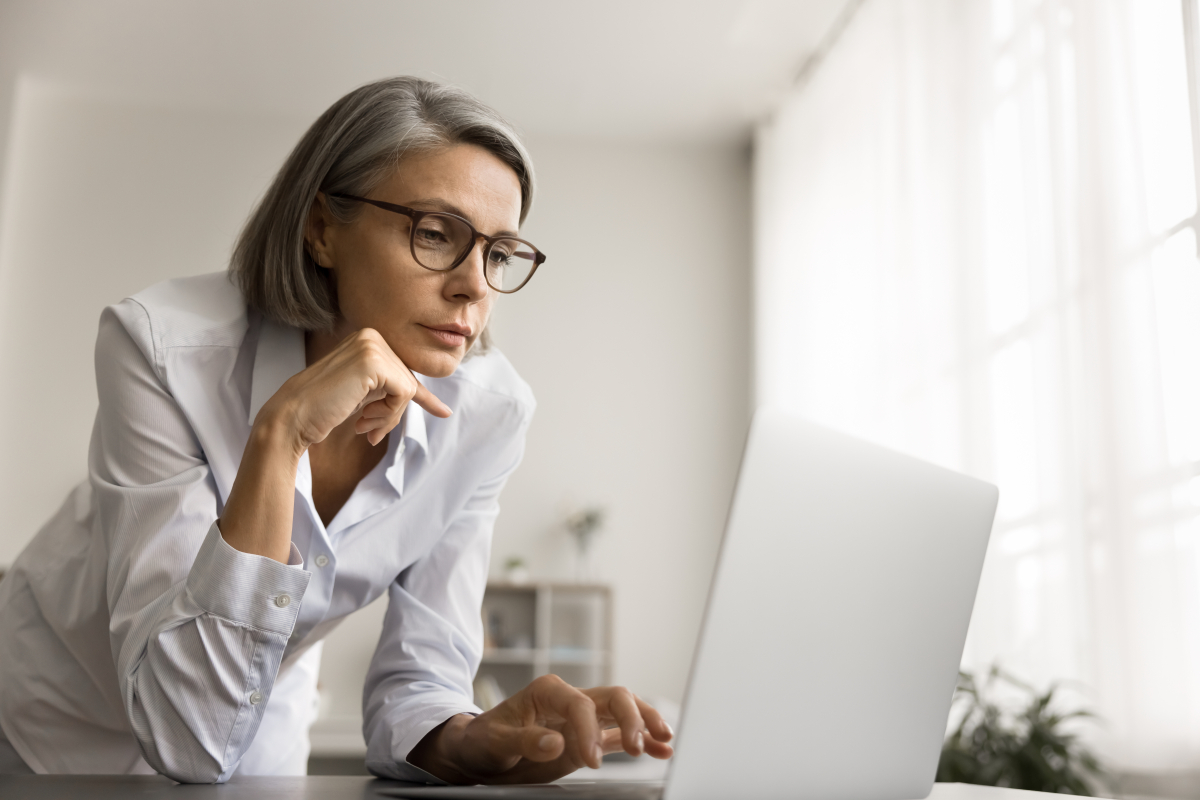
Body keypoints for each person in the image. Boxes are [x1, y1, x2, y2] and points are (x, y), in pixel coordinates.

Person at [0, 77, 672, 784]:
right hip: (47, 718)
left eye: (498, 254)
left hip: (256, 710)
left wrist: (476, 740)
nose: (475, 286)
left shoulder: (487, 414)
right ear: (322, 228)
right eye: (437, 235)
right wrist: (280, 431)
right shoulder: (164, 349)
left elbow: (421, 682)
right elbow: (185, 730)